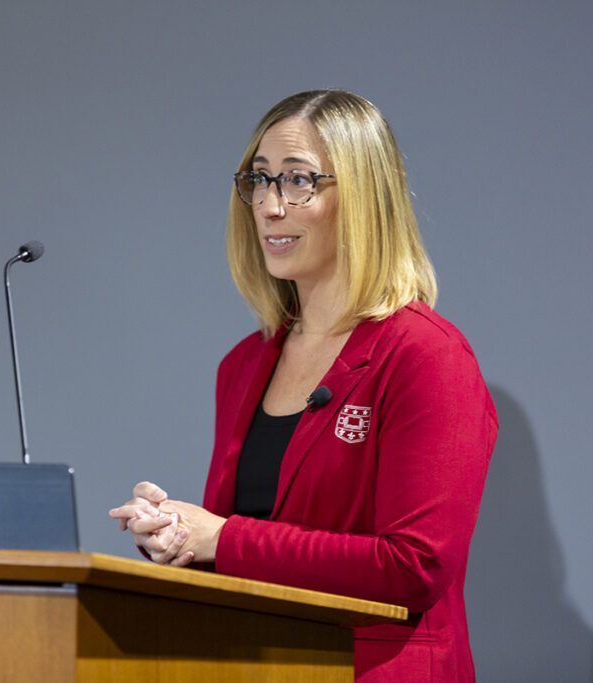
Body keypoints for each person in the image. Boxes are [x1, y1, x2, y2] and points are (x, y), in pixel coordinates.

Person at [109, 89, 497, 682]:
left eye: (297, 181)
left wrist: (225, 538)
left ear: (364, 196)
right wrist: (181, 537)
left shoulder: (427, 356)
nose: (268, 205)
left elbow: (414, 566)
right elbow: (247, 553)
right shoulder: (243, 364)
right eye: (258, 180)